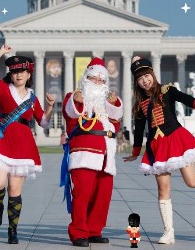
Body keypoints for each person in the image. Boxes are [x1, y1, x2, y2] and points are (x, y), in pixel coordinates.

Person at [123, 57, 195, 245]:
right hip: (156, 146)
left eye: (147, 75)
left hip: (177, 139)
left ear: (152, 75)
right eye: (140, 78)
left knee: (192, 181)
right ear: (136, 82)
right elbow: (140, 130)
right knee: (162, 189)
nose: (145, 81)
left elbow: (186, 99)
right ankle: (168, 232)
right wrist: (135, 152)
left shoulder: (167, 90)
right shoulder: (139, 104)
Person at [0, 44, 55, 244]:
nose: (18, 75)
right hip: (2, 141)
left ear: (29, 75)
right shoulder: (3, 89)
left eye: (22, 71)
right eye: (14, 72)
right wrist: (2, 52)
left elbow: (43, 123)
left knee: (14, 189)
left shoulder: (33, 99)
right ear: (10, 75)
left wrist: (50, 107)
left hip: (22, 144)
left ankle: (13, 230)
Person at [61, 58, 123, 247]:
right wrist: (77, 102)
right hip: (84, 154)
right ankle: (79, 232)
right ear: (85, 78)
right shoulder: (75, 96)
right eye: (93, 78)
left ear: (105, 83)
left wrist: (115, 105)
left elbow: (115, 124)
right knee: (82, 194)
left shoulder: (106, 103)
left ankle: (94, 230)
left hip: (105, 156)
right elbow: (70, 114)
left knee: (102, 196)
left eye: (101, 80)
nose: (96, 82)